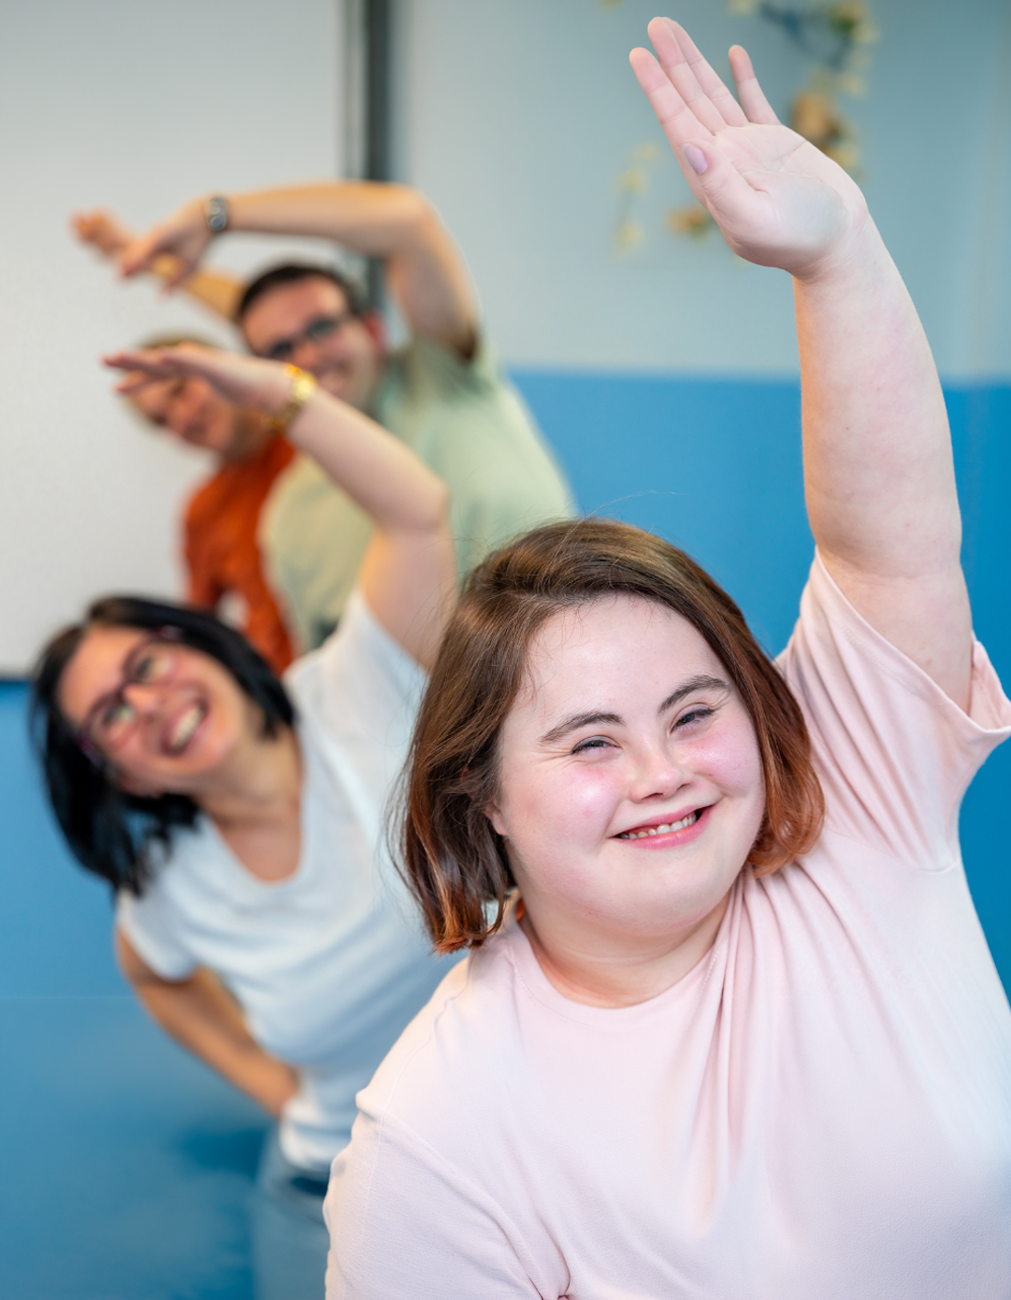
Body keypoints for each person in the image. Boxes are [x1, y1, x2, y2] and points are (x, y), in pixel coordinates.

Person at [323, 21, 1011, 1299]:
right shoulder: (437, 1137)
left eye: (695, 710)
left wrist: (840, 256)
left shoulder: (862, 807)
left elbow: (888, 545)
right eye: (588, 741)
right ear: (483, 796)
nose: (663, 771)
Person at [31, 343, 456, 1298]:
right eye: (111, 718)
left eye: (146, 664)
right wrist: (280, 1094)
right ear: (121, 775)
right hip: (329, 1185)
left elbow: (415, 510)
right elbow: (156, 975)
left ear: (204, 643)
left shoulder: (360, 683)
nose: (147, 703)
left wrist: (280, 396)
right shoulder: (167, 889)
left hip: (523, 1141)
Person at [108, 179, 576, 649]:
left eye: (322, 327)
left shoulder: (443, 377)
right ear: (260, 379)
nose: (308, 356)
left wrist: (216, 214)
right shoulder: (289, 522)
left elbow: (407, 221)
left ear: (373, 329)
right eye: (281, 349)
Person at [73, 219, 298, 671]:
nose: (181, 419)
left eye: (179, 391)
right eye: (160, 421)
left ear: (221, 365)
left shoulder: (312, 424)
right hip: (290, 698)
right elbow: (200, 631)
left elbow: (274, 318)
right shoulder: (204, 510)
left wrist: (153, 261)